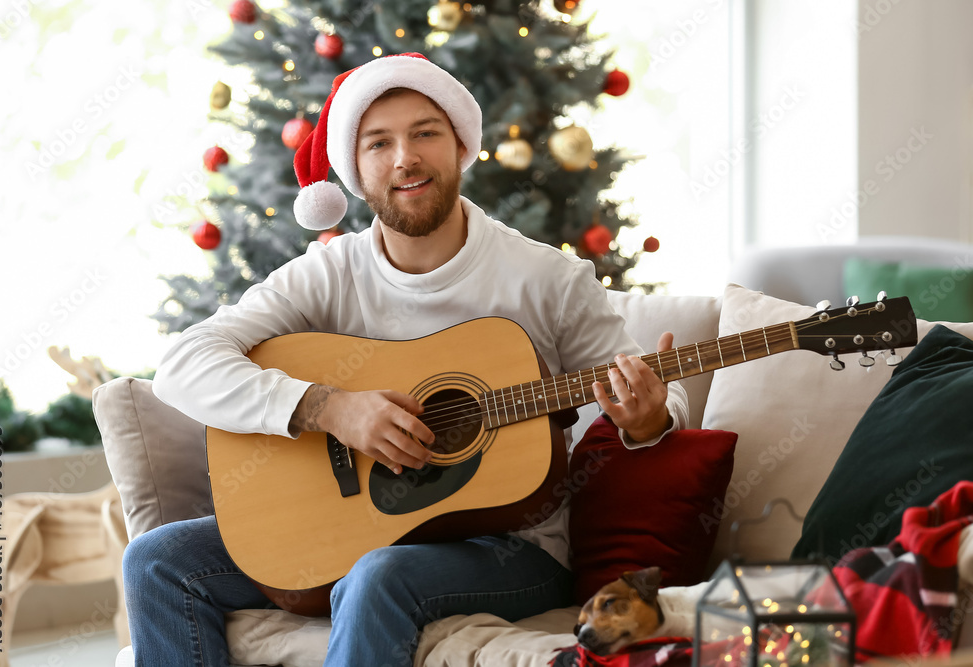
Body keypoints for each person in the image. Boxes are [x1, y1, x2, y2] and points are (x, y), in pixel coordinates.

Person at [123, 52, 688, 666]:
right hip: (365, 524)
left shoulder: (547, 278)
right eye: (378, 143)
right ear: (355, 171)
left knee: (378, 574)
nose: (404, 159)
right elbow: (183, 364)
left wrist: (648, 419)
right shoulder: (329, 274)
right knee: (157, 560)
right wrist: (326, 407)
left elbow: (656, 393)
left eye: (425, 133)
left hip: (518, 548)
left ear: (460, 146)